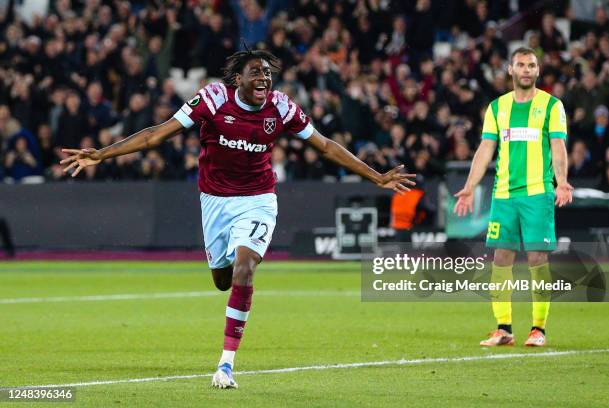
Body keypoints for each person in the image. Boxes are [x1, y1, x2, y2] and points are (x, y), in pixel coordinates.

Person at [59, 48, 415, 389]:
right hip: (214, 200)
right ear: (237, 79)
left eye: (268, 74)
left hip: (258, 200)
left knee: (245, 268)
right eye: (257, 73)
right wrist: (102, 155)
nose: (265, 79)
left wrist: (377, 176)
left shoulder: (282, 107)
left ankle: (226, 364)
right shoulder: (213, 100)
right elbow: (157, 134)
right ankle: (228, 278)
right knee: (222, 280)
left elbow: (324, 145)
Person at [453, 47, 572, 347]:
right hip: (503, 195)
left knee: (537, 258)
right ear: (510, 70)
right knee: (501, 259)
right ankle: (503, 328)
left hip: (537, 193)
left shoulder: (551, 106)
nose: (526, 70)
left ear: (538, 71)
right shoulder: (497, 108)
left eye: (531, 65)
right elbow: (485, 150)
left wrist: (563, 182)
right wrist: (469, 186)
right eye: (520, 65)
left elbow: (558, 146)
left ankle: (538, 330)